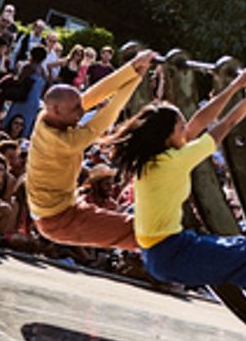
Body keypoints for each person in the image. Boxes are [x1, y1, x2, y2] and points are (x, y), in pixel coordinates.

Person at [109, 69, 246, 292]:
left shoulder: (155, 157)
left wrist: (236, 85)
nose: (185, 131)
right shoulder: (173, 161)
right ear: (168, 136)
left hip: (164, 251)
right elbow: (228, 123)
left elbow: (199, 120)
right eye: (180, 128)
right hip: (171, 255)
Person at [26, 46, 157, 249]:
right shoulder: (62, 142)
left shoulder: (46, 116)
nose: (81, 112)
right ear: (56, 109)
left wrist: (132, 68)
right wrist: (136, 79)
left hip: (66, 205)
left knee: (141, 231)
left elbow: (92, 96)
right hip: (57, 220)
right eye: (75, 109)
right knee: (135, 232)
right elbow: (105, 118)